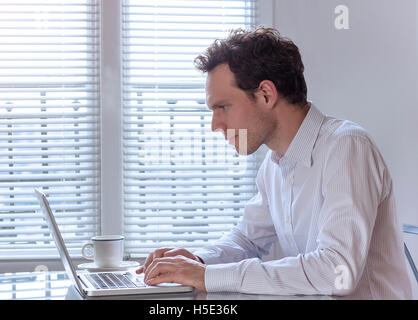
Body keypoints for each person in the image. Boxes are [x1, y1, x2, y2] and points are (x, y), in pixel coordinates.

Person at [135, 27, 413, 299]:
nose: (214, 125)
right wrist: (198, 261)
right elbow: (248, 239)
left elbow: (336, 271)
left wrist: (206, 276)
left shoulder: (347, 147)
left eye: (223, 107)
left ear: (266, 94)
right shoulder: (275, 163)